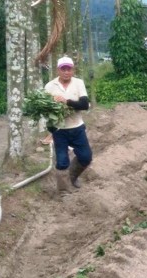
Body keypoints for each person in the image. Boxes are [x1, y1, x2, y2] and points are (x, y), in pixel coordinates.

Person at [44, 56, 92, 191]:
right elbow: (45, 110)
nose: (66, 72)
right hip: (60, 130)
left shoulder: (78, 83)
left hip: (77, 127)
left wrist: (67, 102)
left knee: (86, 157)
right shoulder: (49, 86)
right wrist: (52, 128)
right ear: (58, 70)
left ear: (73, 70)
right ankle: (63, 191)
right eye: (63, 69)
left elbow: (84, 105)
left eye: (69, 69)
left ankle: (73, 176)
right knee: (62, 161)